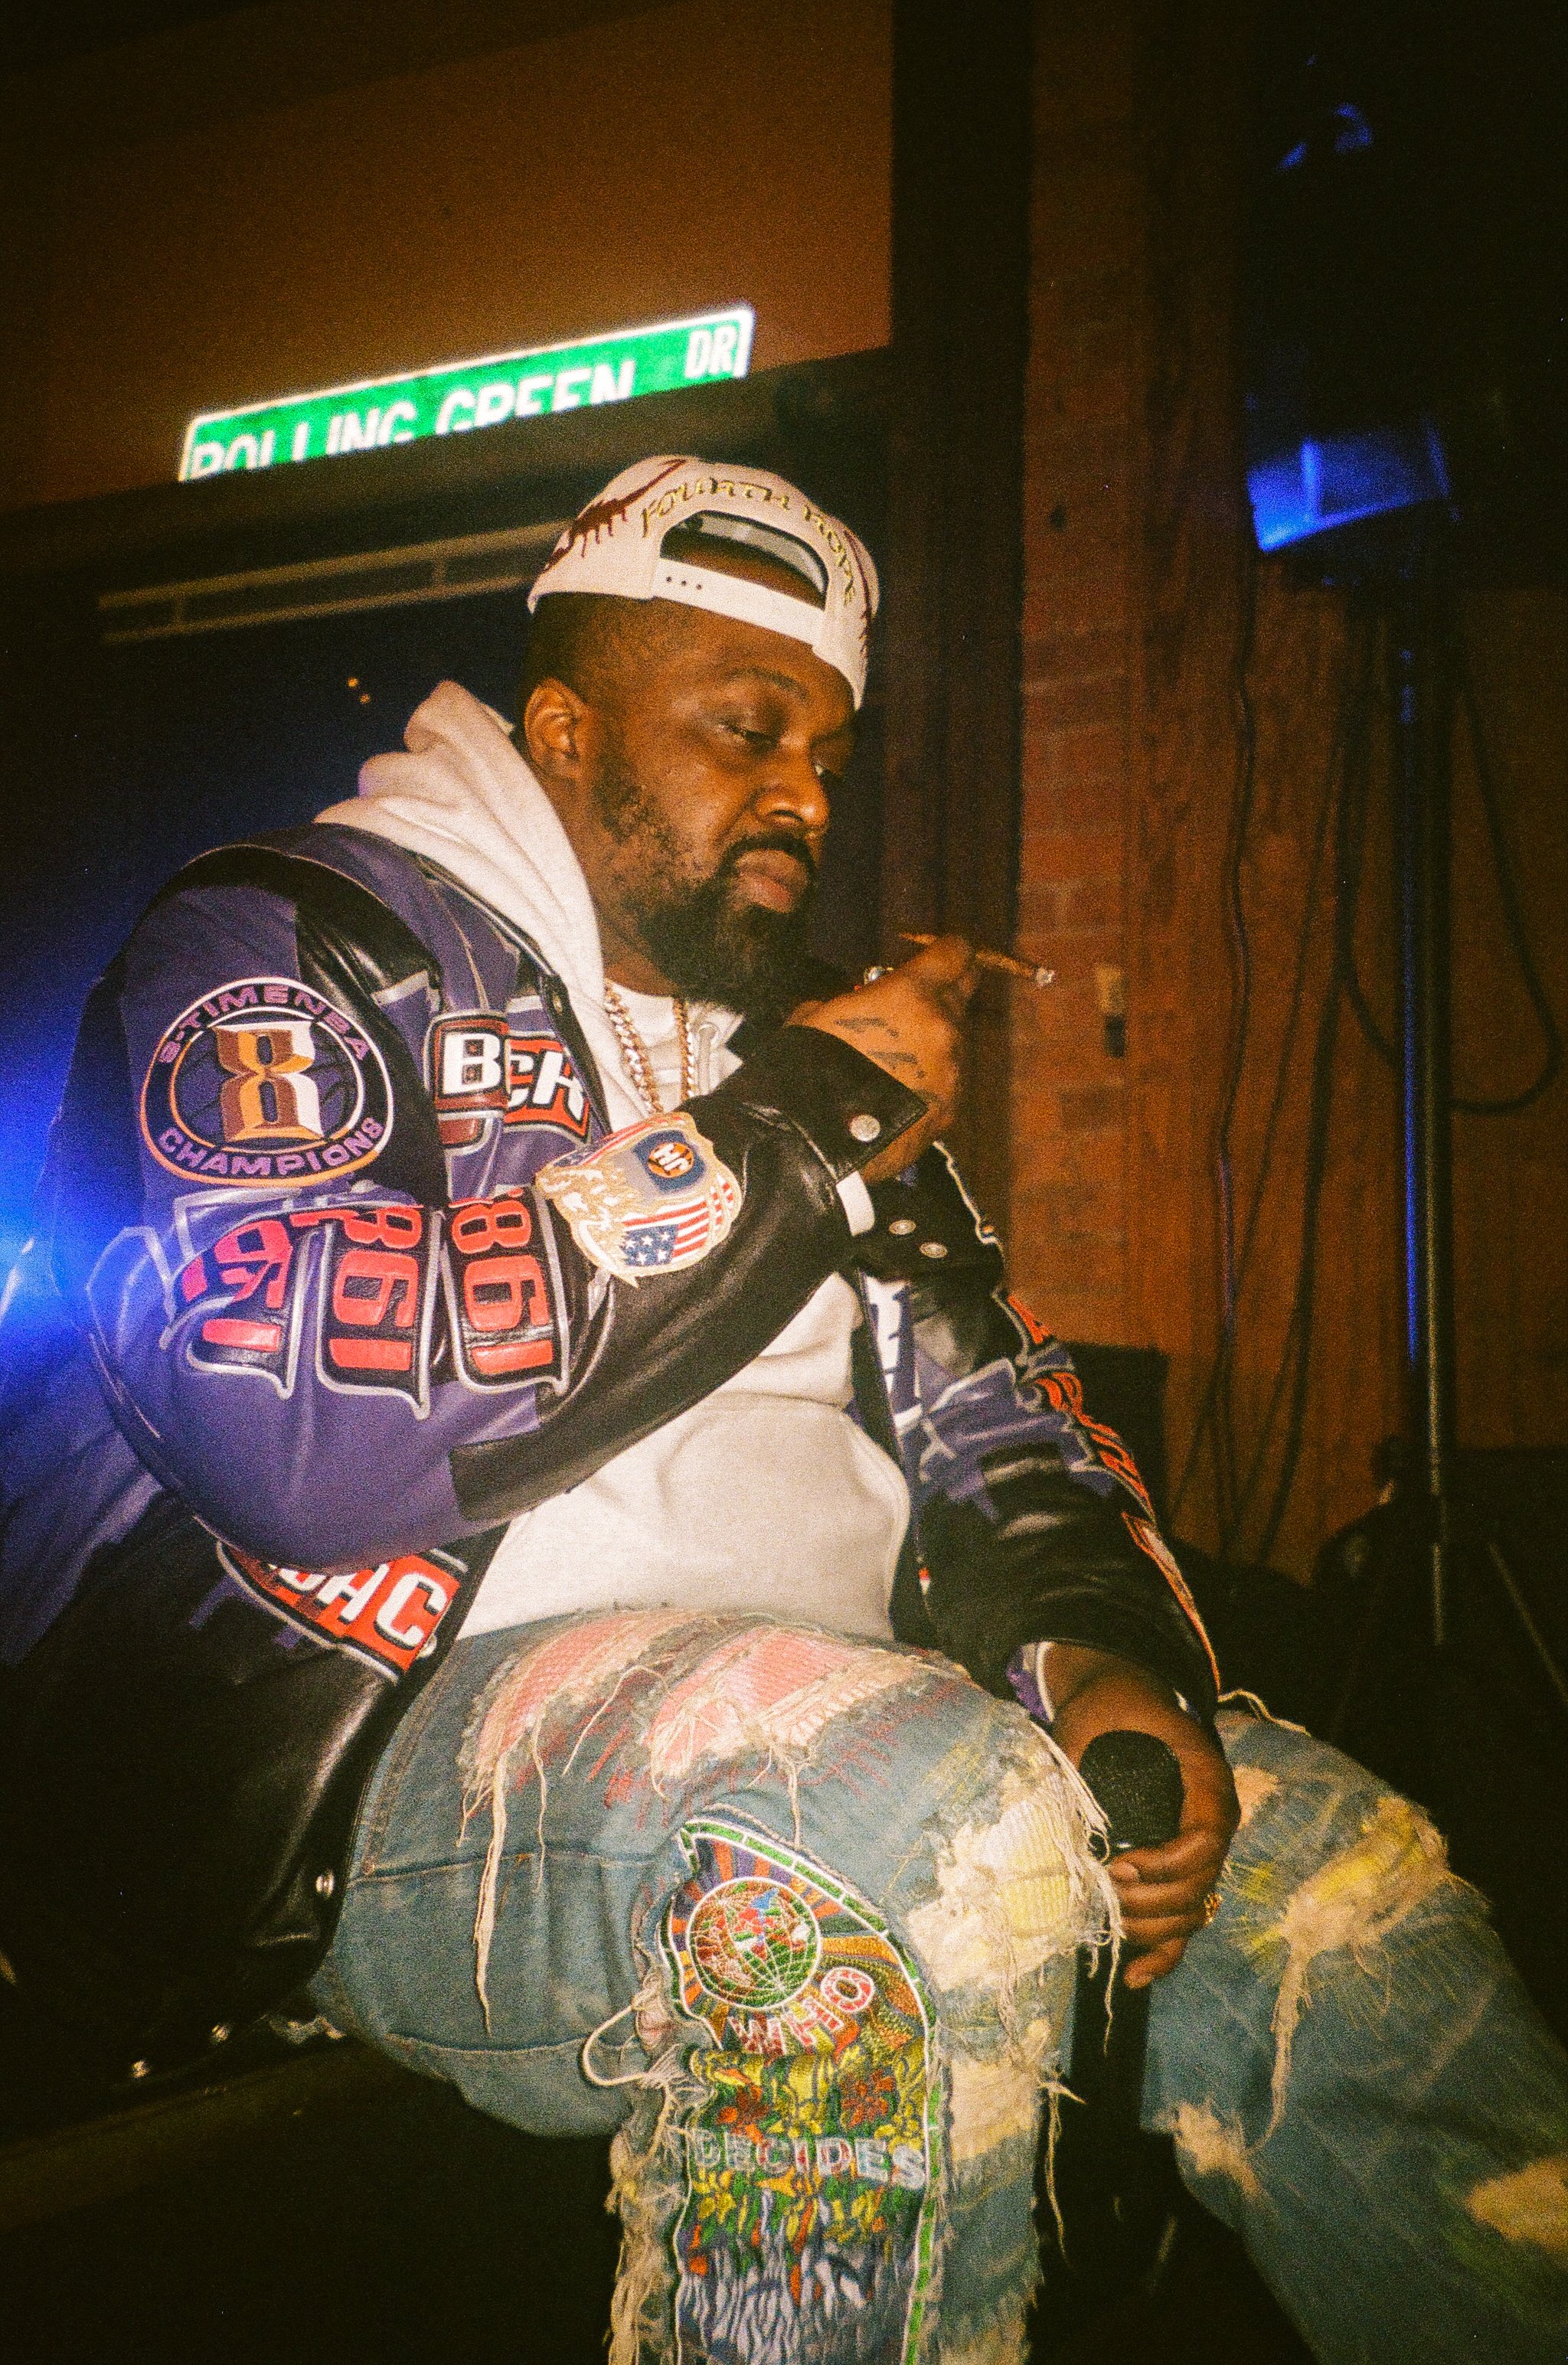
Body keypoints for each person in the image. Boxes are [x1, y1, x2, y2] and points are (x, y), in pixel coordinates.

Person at [1, 456, 1563, 2365]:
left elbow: (999, 1425)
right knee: (897, 1831)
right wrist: (784, 1135)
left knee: (1336, 1874)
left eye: (826, 749)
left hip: (848, 1701)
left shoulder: (799, 1040)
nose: (807, 794)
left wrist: (1090, 1649)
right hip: (377, 1760)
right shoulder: (297, 938)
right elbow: (294, 1423)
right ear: (566, 732)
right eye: (747, 730)